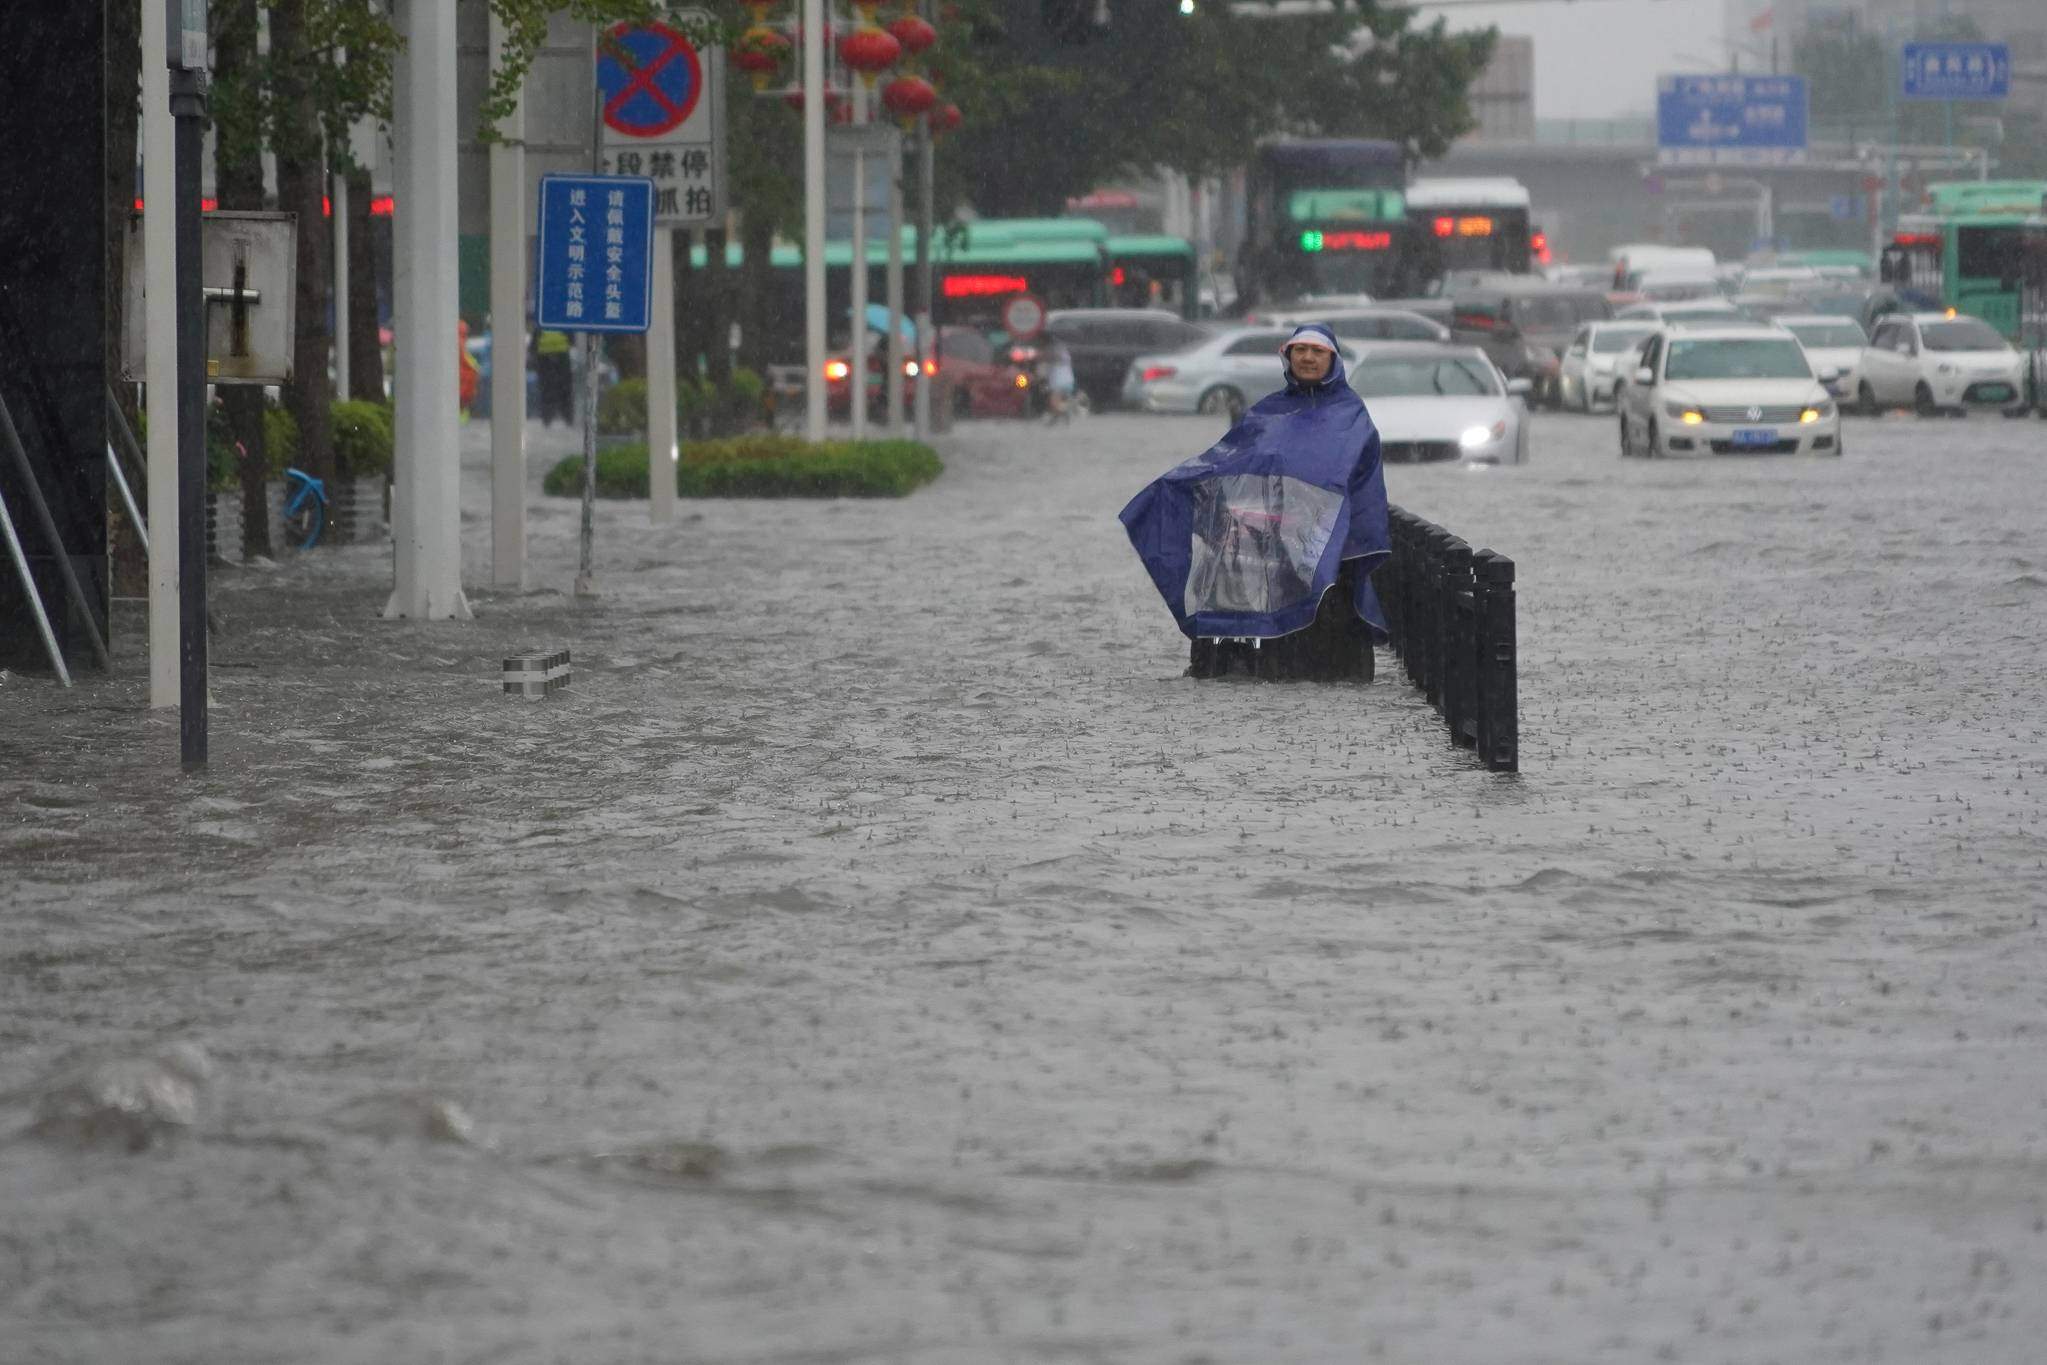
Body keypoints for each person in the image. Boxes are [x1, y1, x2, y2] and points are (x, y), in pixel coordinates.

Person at [1119, 323, 1389, 677]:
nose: (1307, 358)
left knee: (1326, 643)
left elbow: (1357, 481)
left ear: (1333, 359)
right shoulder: (1268, 412)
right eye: (1300, 350)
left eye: (1317, 351)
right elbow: (1228, 461)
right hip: (1266, 551)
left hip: (1329, 553)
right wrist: (1181, 486)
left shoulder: (1351, 415)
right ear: (1288, 355)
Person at [532, 328, 574, 426]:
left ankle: (548, 418)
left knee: (547, 391)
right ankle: (567, 418)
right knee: (565, 392)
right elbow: (571, 340)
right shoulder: (562, 322)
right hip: (561, 360)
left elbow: (534, 346)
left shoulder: (541, 324)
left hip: (545, 361)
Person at [1042, 337, 1078, 423]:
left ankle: (1063, 414)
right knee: (1056, 402)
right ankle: (1057, 417)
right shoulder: (1063, 352)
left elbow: (1055, 358)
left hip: (1060, 381)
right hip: (1065, 380)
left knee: (1054, 402)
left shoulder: (1057, 352)